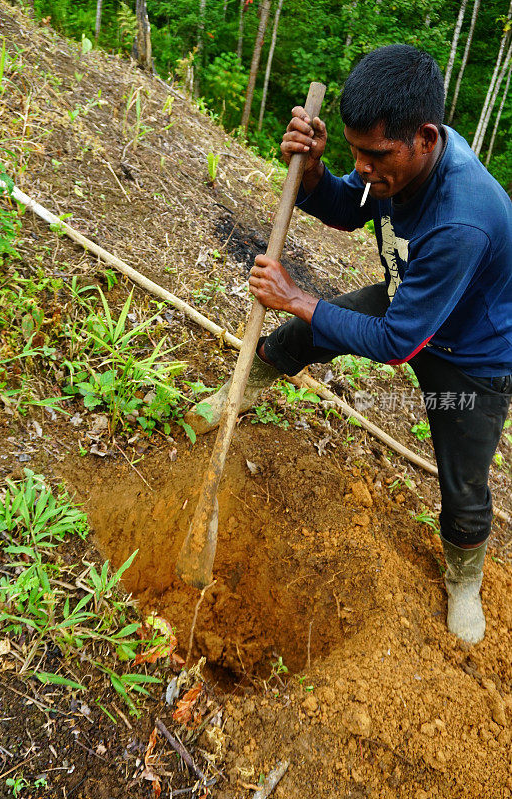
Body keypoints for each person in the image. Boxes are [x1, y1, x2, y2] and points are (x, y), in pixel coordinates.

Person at [186, 45, 512, 645]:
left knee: (462, 479)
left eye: (375, 155)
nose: (362, 167)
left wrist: (298, 296)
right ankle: (242, 389)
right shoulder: (396, 162)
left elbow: (395, 345)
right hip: (410, 300)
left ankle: (464, 579)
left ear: (425, 137)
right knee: (307, 332)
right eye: (354, 150)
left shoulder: (462, 217)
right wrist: (312, 174)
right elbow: (346, 208)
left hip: (471, 359)